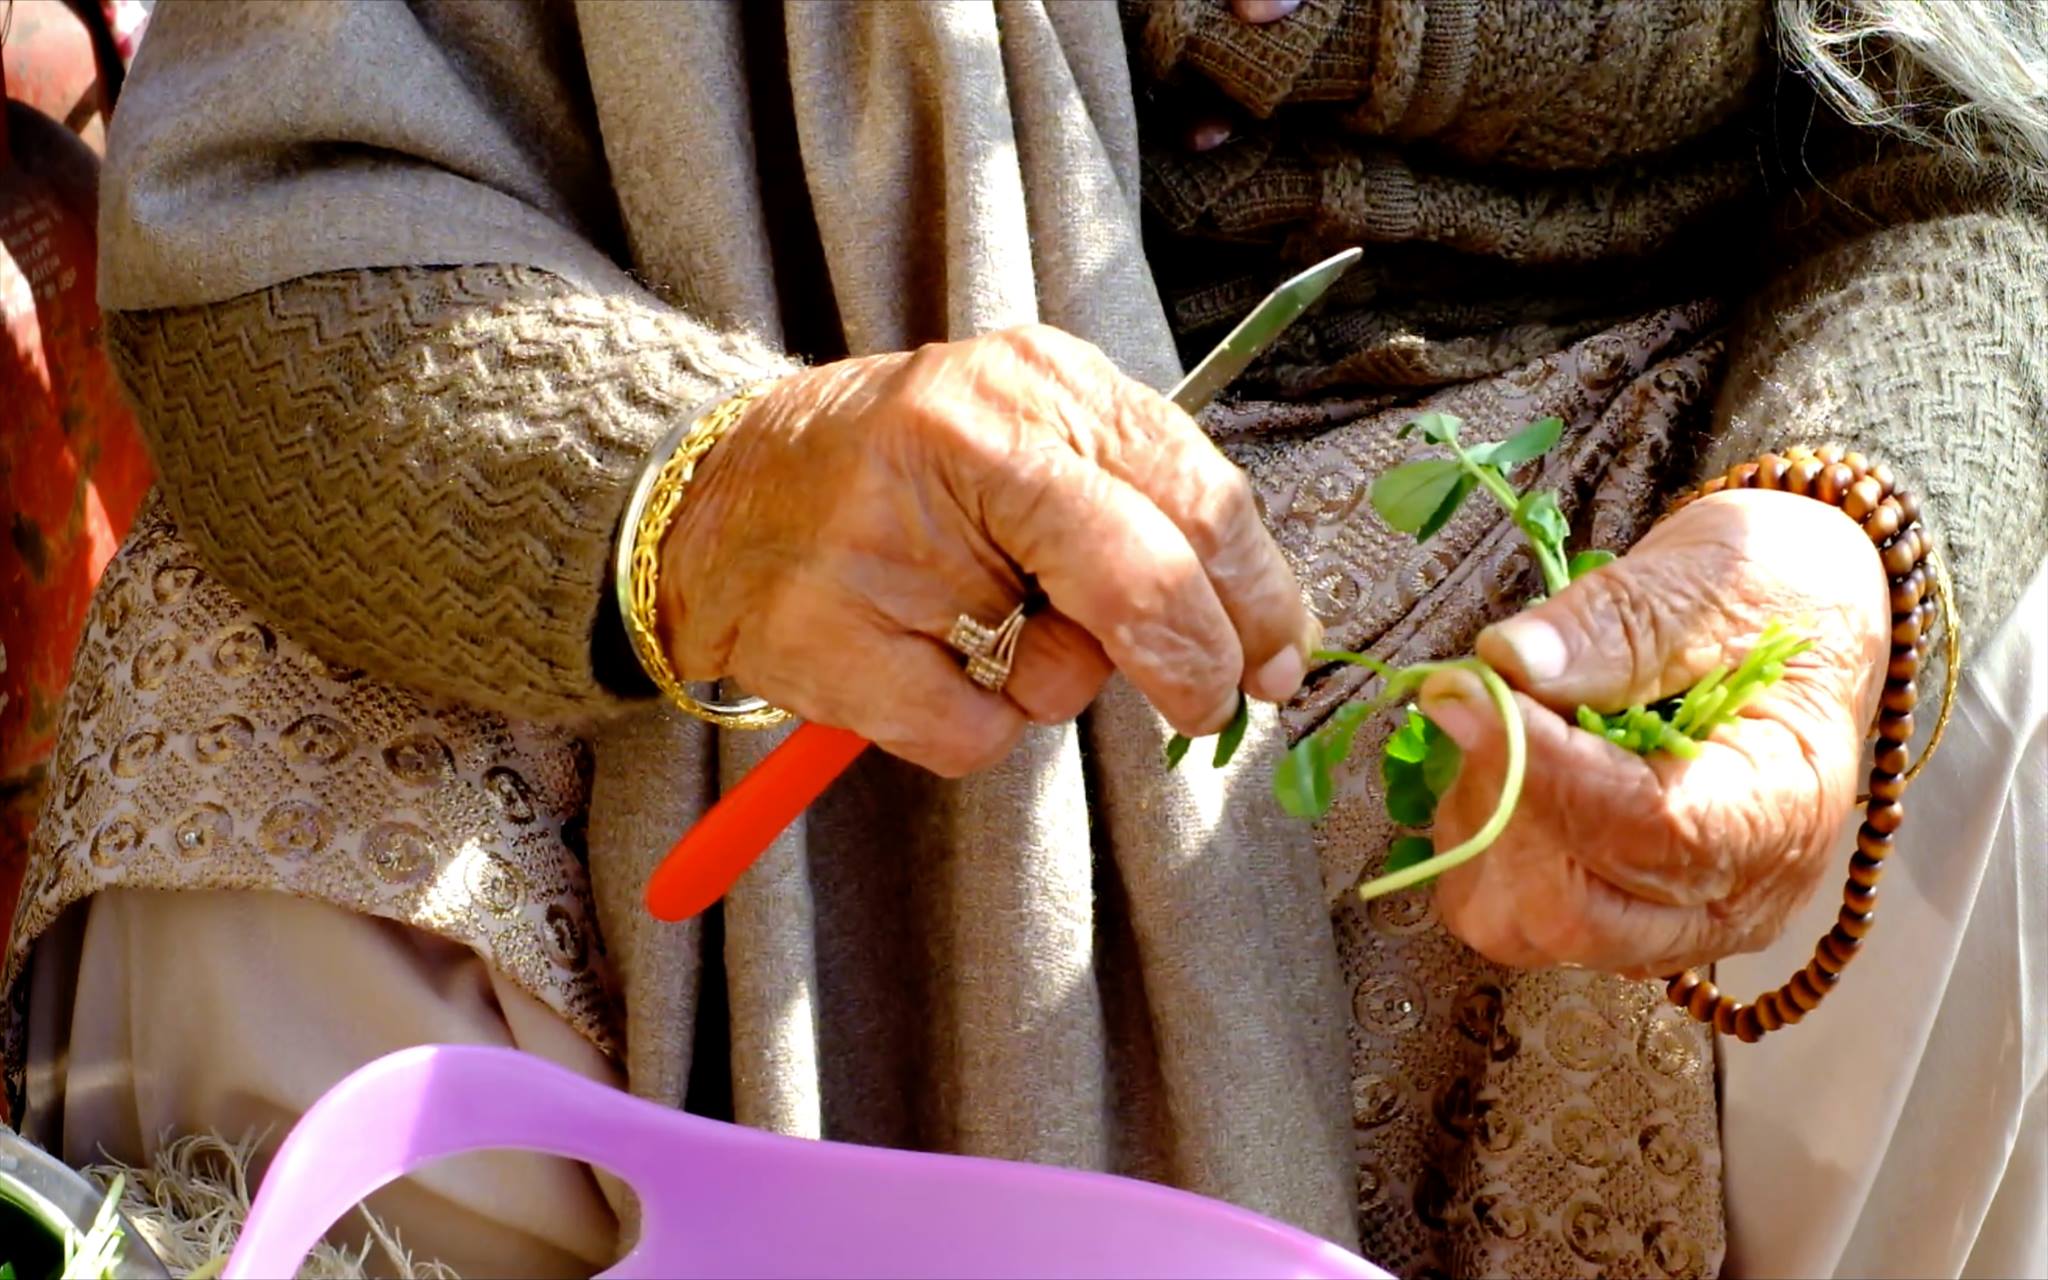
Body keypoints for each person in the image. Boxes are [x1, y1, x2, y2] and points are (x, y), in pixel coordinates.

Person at [10, 0, 2044, 1275]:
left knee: (2006, 745)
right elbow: (293, 216)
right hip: (677, 441)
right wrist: (706, 494)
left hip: (1582, 499)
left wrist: (1841, 535)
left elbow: (1974, 161)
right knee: (257, 720)